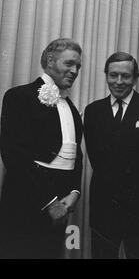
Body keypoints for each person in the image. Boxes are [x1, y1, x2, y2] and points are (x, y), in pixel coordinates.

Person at [84, 52, 139, 259]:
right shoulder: (93, 111)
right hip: (104, 214)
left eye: (125, 76)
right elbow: (98, 162)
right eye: (113, 75)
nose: (118, 81)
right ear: (106, 75)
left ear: (135, 78)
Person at [0, 38, 84, 258]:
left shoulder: (73, 110)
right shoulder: (18, 97)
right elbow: (14, 155)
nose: (75, 71)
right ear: (49, 61)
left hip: (63, 199)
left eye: (78, 66)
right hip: (27, 196)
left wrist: (75, 192)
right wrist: (49, 202)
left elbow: (77, 156)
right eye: (69, 64)